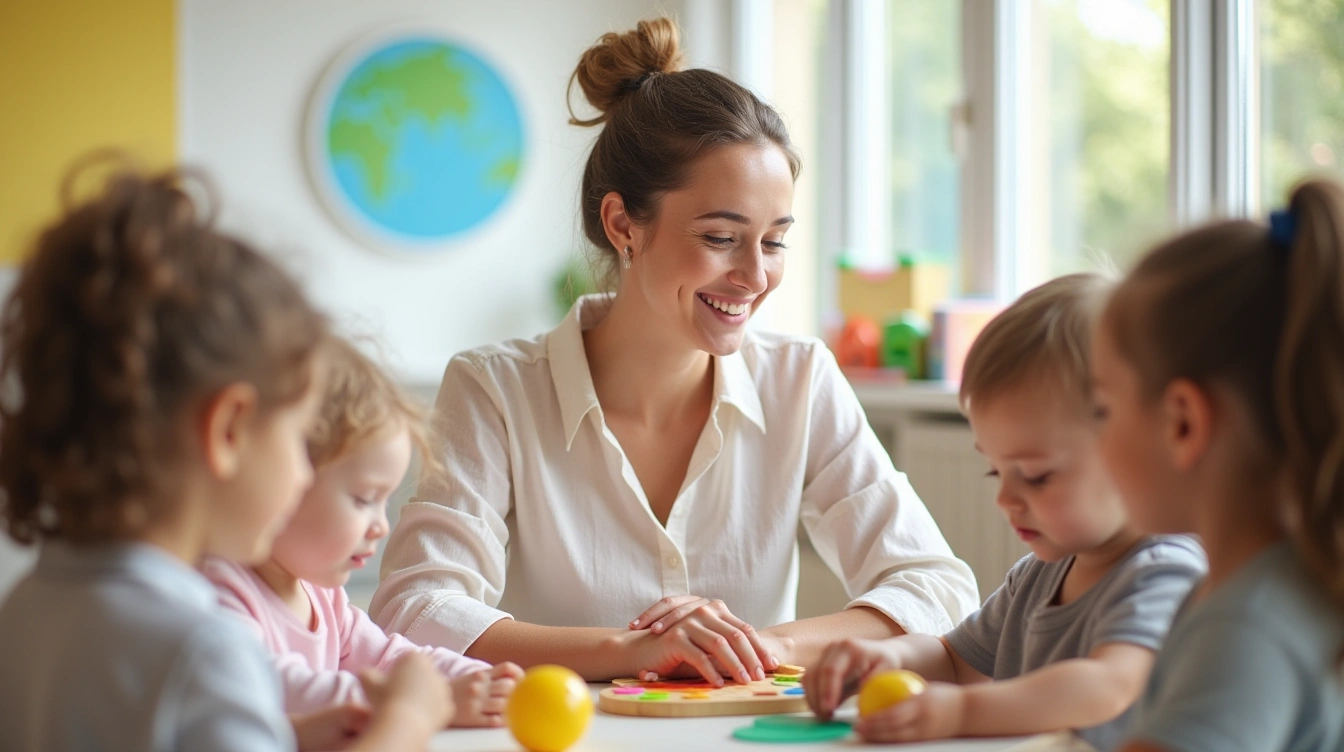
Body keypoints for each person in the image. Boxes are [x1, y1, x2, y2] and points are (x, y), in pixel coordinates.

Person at [371, 17, 978, 684]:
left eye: (774, 240)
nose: (755, 275)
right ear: (623, 225)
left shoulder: (799, 379)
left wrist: (760, 646)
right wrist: (627, 651)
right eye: (721, 237)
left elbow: (936, 587)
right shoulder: (496, 390)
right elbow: (412, 608)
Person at [0, 163, 452, 752]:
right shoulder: (202, 649)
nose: (300, 473)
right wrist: (406, 721)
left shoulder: (29, 608)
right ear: (229, 429)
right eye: (295, 440)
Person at [804, 274, 1205, 749]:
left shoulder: (1166, 573)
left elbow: (1109, 686)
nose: (1005, 499)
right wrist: (887, 658)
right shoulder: (1036, 578)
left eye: (1035, 476)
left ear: (1139, 449)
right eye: (997, 473)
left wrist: (961, 713)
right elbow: (953, 659)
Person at [1094, 179, 1344, 752]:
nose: (1098, 439)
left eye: (1104, 408)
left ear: (1183, 423)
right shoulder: (1263, 588)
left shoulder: (1245, 628)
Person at [204, 337, 523, 726]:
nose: (381, 526)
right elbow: (276, 688)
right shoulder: (220, 590)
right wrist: (423, 703)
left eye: (383, 501)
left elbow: (391, 657)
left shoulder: (322, 596)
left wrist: (473, 677)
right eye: (362, 499)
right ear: (287, 475)